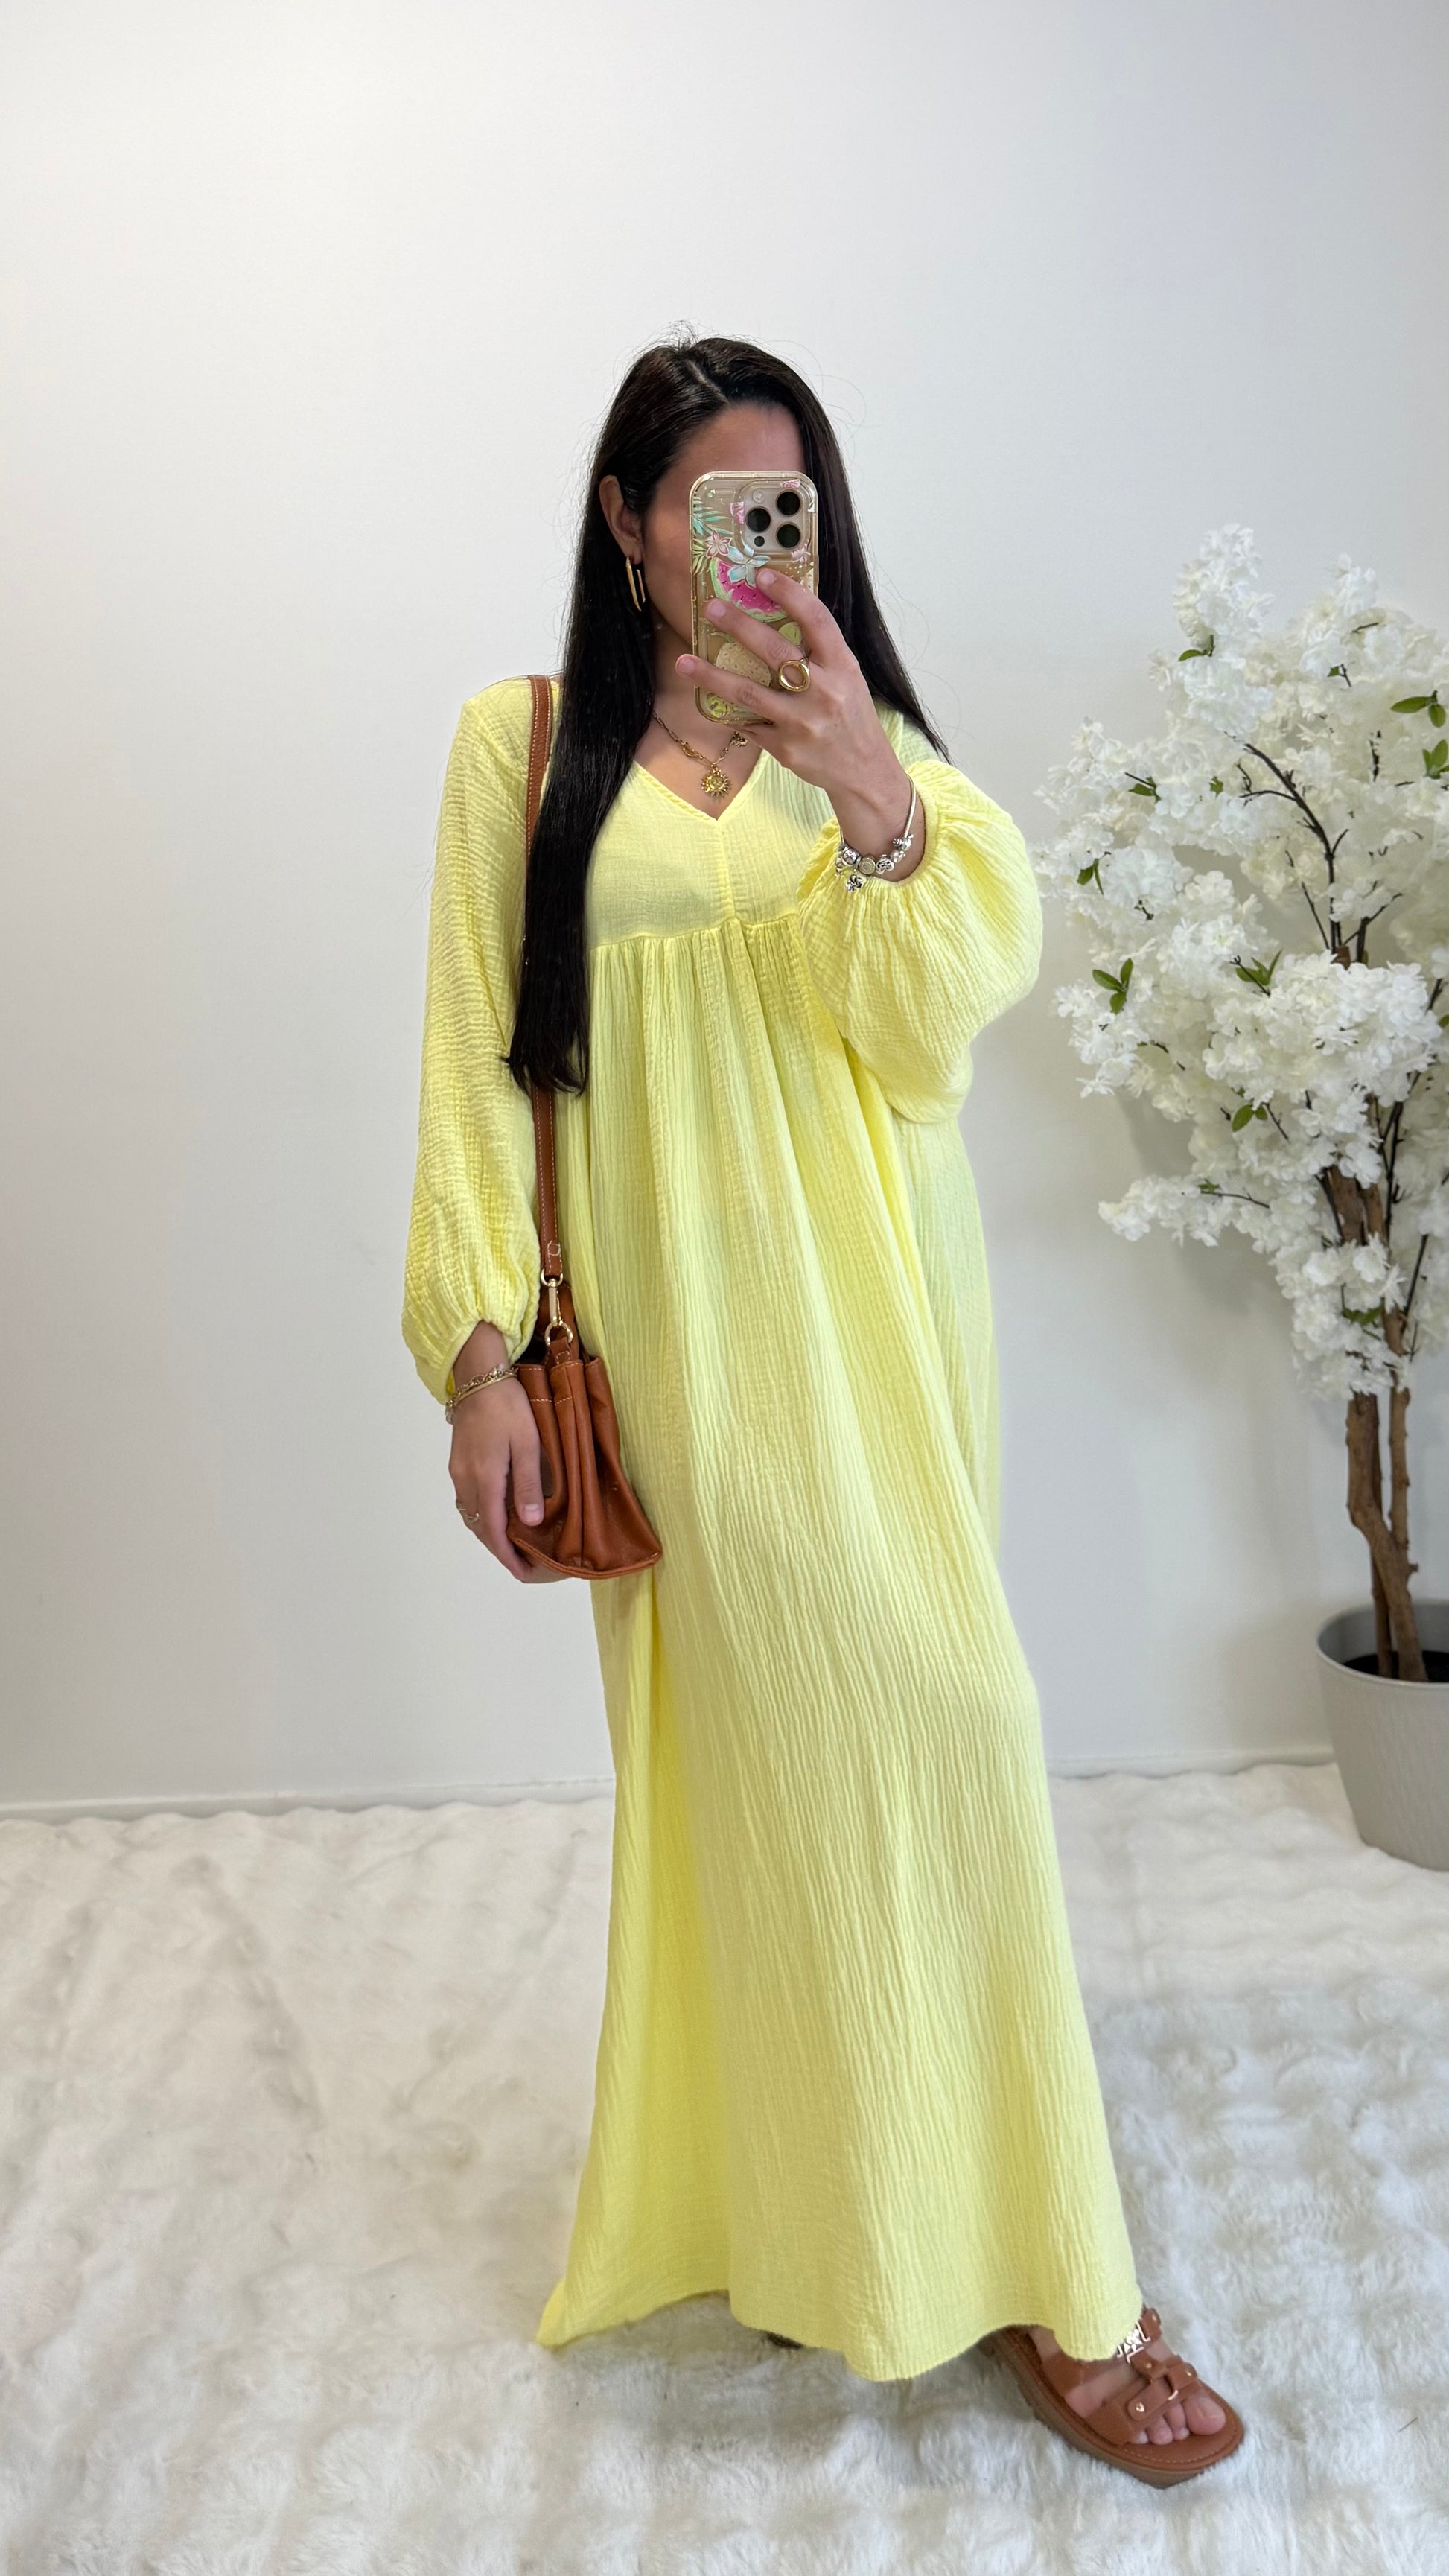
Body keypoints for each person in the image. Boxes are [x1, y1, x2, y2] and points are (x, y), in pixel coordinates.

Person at [401, 335, 1244, 2484]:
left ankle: (1048, 2261)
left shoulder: (880, 755)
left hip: (877, 1310)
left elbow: (934, 1031)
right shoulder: (523, 750)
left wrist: (868, 787)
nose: (748, 553)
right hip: (676, 1342)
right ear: (628, 521)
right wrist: (479, 1355)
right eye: (710, 511)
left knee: (947, 1718)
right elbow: (480, 1063)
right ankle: (840, 2216)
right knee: (763, 1765)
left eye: (784, 511)